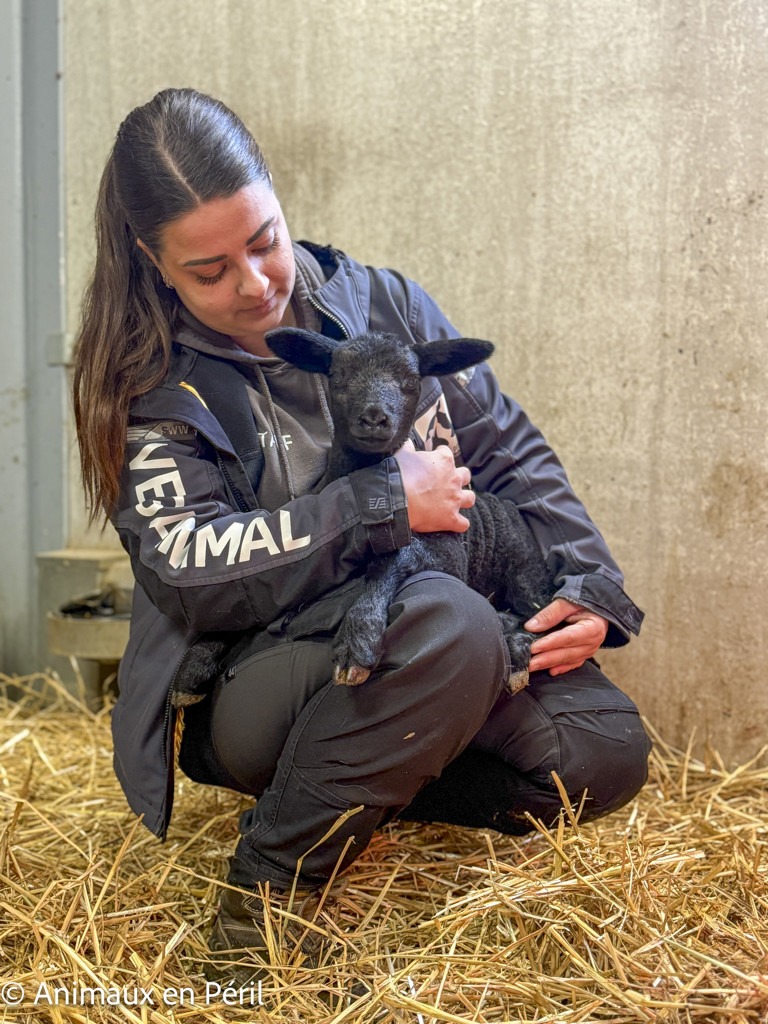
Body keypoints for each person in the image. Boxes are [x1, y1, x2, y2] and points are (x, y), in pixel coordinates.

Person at [73, 88, 650, 977]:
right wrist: (379, 502)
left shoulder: (383, 303)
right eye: (209, 270)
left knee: (606, 751)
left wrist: (589, 583)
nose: (256, 283)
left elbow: (509, 449)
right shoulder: (153, 387)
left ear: (276, 194)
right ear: (155, 261)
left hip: (421, 646)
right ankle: (267, 890)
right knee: (447, 621)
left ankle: (371, 777)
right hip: (264, 676)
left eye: (263, 241)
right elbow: (190, 571)